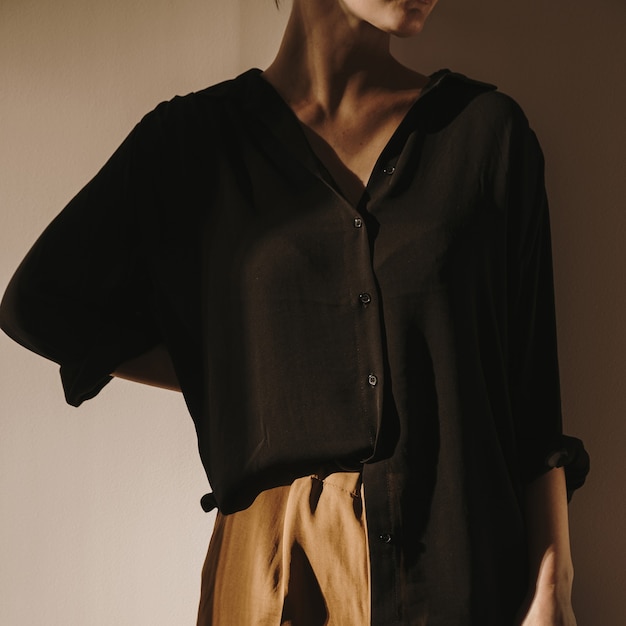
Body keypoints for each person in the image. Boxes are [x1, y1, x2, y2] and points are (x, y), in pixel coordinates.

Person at [0, 0, 589, 624]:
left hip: (457, 564)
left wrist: (554, 588)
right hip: (275, 576)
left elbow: (529, 394)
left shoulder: (485, 134)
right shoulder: (193, 145)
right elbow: (42, 305)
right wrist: (237, 372)